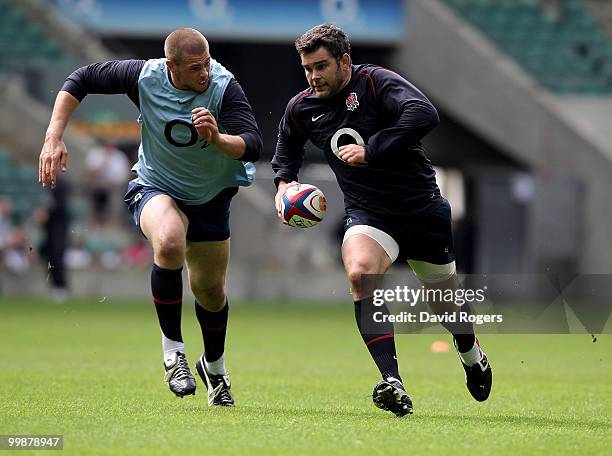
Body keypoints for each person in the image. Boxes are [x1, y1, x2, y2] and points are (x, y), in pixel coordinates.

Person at [272, 24, 492, 416]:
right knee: (360, 274)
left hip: (422, 208)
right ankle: (393, 381)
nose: (314, 76)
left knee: (445, 306)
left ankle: (471, 353)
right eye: (307, 68)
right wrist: (284, 186)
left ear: (344, 60)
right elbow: (287, 149)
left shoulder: (374, 83)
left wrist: (371, 150)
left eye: (321, 66)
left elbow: (423, 113)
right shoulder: (301, 107)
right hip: (369, 214)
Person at [39, 28, 262, 406]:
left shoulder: (224, 87)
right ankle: (172, 353)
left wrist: (219, 139)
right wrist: (53, 135)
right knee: (170, 240)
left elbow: (253, 144)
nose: (204, 73)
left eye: (206, 63)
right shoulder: (142, 76)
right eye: (195, 68)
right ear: (170, 66)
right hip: (156, 186)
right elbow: (80, 79)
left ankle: (215, 368)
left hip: (210, 197)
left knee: (210, 291)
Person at [85, 140, 130, 228]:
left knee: (116, 199)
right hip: (97, 187)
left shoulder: (120, 157)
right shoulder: (95, 154)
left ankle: (111, 224)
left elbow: (125, 176)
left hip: (114, 188)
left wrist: (114, 183)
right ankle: (95, 223)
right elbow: (88, 174)